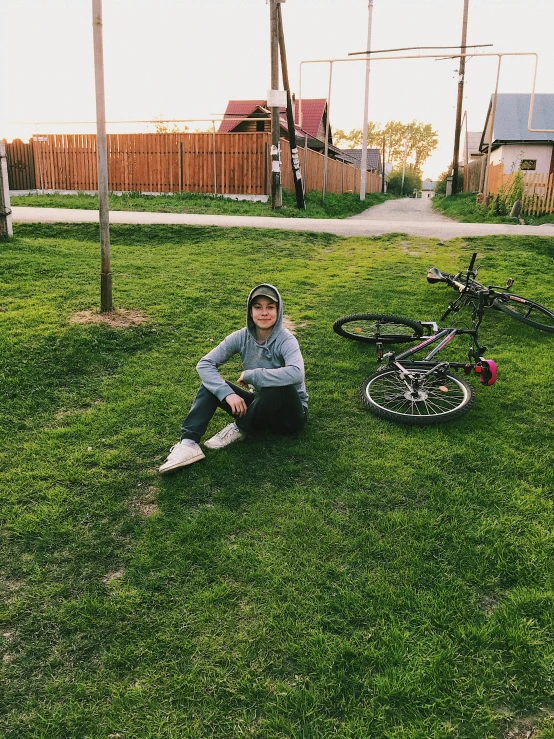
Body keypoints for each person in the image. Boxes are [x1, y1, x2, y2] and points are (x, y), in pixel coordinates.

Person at [159, 284, 308, 474]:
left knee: (279, 386)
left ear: (278, 311)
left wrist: (253, 375)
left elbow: (296, 374)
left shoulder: (286, 340)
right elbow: (205, 364)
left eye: (270, 307)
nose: (264, 313)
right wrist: (226, 393)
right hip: (260, 407)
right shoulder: (241, 337)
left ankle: (240, 427)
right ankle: (189, 444)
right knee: (210, 386)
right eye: (258, 307)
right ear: (250, 311)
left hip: (290, 416)